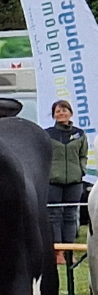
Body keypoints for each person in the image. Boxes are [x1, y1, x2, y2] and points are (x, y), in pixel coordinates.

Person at [46, 99, 88, 248]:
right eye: (58, 111)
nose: (61, 113)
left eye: (64, 110)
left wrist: (81, 170)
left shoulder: (79, 134)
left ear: (70, 113)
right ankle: (58, 251)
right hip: (53, 182)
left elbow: (83, 155)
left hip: (75, 182)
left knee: (71, 215)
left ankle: (69, 248)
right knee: (54, 215)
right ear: (53, 115)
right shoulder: (47, 134)